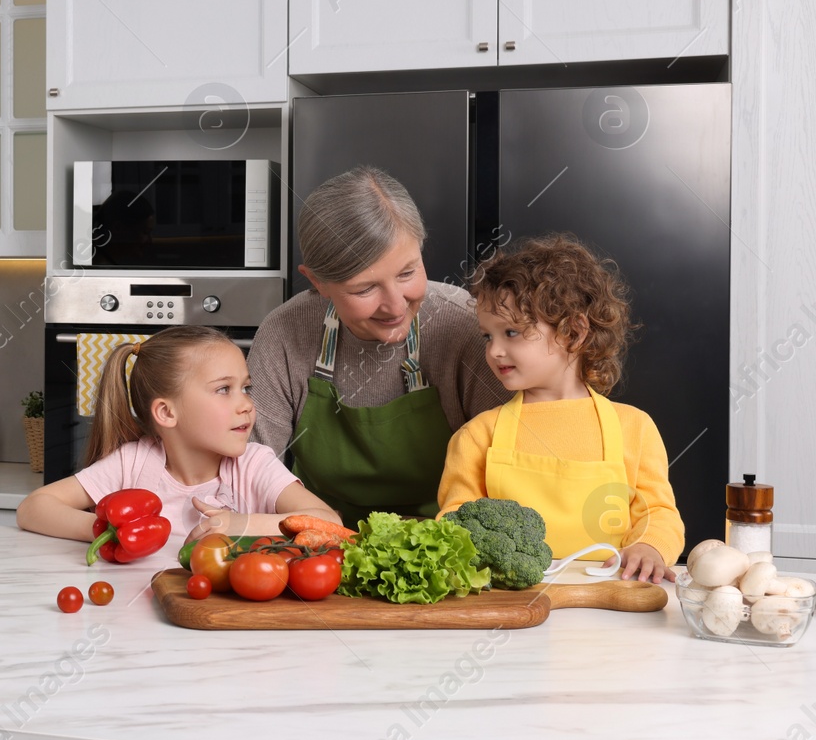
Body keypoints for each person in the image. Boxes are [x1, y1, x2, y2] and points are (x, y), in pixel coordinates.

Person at [248, 167, 507, 526]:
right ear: (317, 281)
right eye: (364, 289)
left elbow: (512, 468)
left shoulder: (462, 325)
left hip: (448, 544)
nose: (396, 306)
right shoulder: (284, 334)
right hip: (321, 546)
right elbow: (251, 473)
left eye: (407, 273)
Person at [436, 235, 684, 583]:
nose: (494, 351)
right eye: (487, 336)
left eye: (511, 332)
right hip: (514, 603)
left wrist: (650, 548)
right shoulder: (478, 435)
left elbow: (658, 512)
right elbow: (456, 518)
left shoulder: (634, 427)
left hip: (608, 597)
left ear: (574, 332)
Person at [17, 326, 341, 558]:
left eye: (246, 388)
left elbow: (330, 523)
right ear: (167, 412)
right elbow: (33, 508)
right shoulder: (132, 462)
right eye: (224, 390)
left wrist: (241, 524)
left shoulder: (254, 465)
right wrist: (109, 530)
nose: (246, 405)